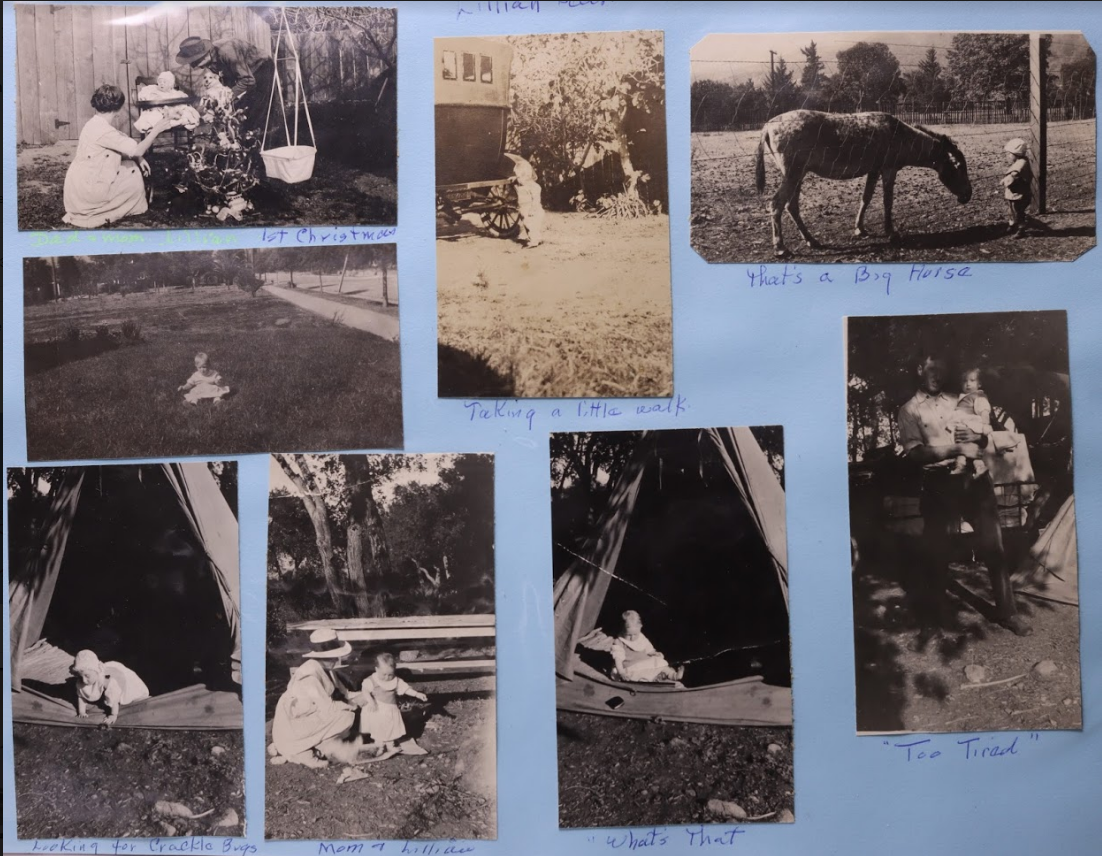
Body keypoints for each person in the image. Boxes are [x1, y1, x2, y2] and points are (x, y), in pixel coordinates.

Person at [897, 353, 1032, 637]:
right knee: (936, 551)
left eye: (942, 370)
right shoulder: (909, 410)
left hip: (976, 478)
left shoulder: (961, 398)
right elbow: (915, 454)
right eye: (932, 369)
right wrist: (956, 449)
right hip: (938, 482)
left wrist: (977, 439)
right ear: (919, 368)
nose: (938, 375)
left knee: (994, 546)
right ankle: (933, 619)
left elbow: (985, 434)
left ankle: (1007, 613)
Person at [62, 85, 171, 229]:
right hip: (88, 191)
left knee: (130, 164)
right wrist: (156, 129)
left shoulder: (94, 124)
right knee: (133, 173)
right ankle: (129, 208)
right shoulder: (105, 131)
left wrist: (138, 158)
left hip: (77, 186)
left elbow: (124, 145)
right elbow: (137, 150)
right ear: (118, 109)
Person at [269, 629, 360, 768]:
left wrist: (364, 694)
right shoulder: (309, 676)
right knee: (346, 717)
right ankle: (313, 750)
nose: (336, 660)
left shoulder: (327, 669)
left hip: (312, 715)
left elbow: (345, 693)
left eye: (336, 656)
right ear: (319, 656)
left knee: (347, 719)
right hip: (295, 723)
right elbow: (329, 709)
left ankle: (319, 746)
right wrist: (353, 705)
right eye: (331, 657)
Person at [176, 36, 275, 136]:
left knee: (259, 108)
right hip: (245, 73)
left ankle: (261, 139)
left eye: (195, 62)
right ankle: (241, 138)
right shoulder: (212, 60)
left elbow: (248, 80)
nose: (195, 67)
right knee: (237, 108)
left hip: (261, 66)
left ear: (205, 55)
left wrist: (227, 96)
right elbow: (228, 80)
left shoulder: (227, 52)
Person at [358, 652, 429, 759]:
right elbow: (365, 691)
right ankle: (380, 746)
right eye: (384, 674)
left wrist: (417, 694)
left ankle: (390, 745)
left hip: (390, 709)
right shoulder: (372, 680)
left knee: (391, 727)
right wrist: (371, 701)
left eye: (390, 674)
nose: (387, 677)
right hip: (377, 709)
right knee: (378, 729)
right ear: (377, 669)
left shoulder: (396, 680)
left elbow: (406, 689)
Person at [71, 649, 150, 727]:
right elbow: (81, 696)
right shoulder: (82, 680)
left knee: (130, 693)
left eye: (87, 676)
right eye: (81, 677)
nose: (84, 680)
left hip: (119, 679)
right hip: (101, 679)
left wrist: (113, 715)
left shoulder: (106, 681)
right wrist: (82, 712)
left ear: (96, 671)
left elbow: (114, 699)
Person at [610, 610, 684, 683]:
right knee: (640, 676)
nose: (632, 638)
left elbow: (648, 649)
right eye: (628, 635)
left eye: (635, 634)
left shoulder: (641, 637)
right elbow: (618, 660)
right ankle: (651, 681)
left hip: (646, 662)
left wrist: (654, 653)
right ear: (622, 630)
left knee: (660, 664)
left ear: (640, 628)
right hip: (632, 668)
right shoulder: (619, 642)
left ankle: (674, 675)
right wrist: (621, 672)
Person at [949, 366, 992, 478]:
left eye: (972, 380)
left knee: (967, 445)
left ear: (979, 384)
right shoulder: (963, 396)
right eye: (964, 381)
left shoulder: (979, 396)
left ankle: (969, 466)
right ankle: (967, 466)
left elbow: (984, 411)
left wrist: (985, 425)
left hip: (971, 423)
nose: (968, 384)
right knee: (964, 448)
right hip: (963, 422)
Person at [133, 71, 200, 134]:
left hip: (175, 111)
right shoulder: (153, 90)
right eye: (160, 82)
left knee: (186, 111)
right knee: (153, 116)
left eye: (164, 82)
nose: (162, 84)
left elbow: (183, 97)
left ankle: (179, 120)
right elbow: (145, 95)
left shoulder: (174, 93)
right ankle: (173, 121)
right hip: (159, 111)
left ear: (170, 85)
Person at [504, 153, 545, 248]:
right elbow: (518, 180)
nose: (518, 179)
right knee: (528, 225)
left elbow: (536, 200)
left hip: (532, 210)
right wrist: (515, 178)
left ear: (527, 176)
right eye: (517, 177)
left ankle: (534, 241)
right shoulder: (522, 184)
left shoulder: (533, 186)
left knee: (530, 225)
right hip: (524, 210)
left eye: (519, 177)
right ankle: (537, 238)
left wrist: (532, 210)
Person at [1001, 138, 1034, 238]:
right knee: (1011, 210)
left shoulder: (1021, 164)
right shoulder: (1021, 161)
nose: (1008, 156)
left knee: (1018, 212)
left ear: (1015, 154)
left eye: (1009, 154)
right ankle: (1012, 225)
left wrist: (1006, 180)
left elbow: (1015, 174)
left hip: (1019, 194)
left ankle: (1021, 229)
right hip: (1015, 194)